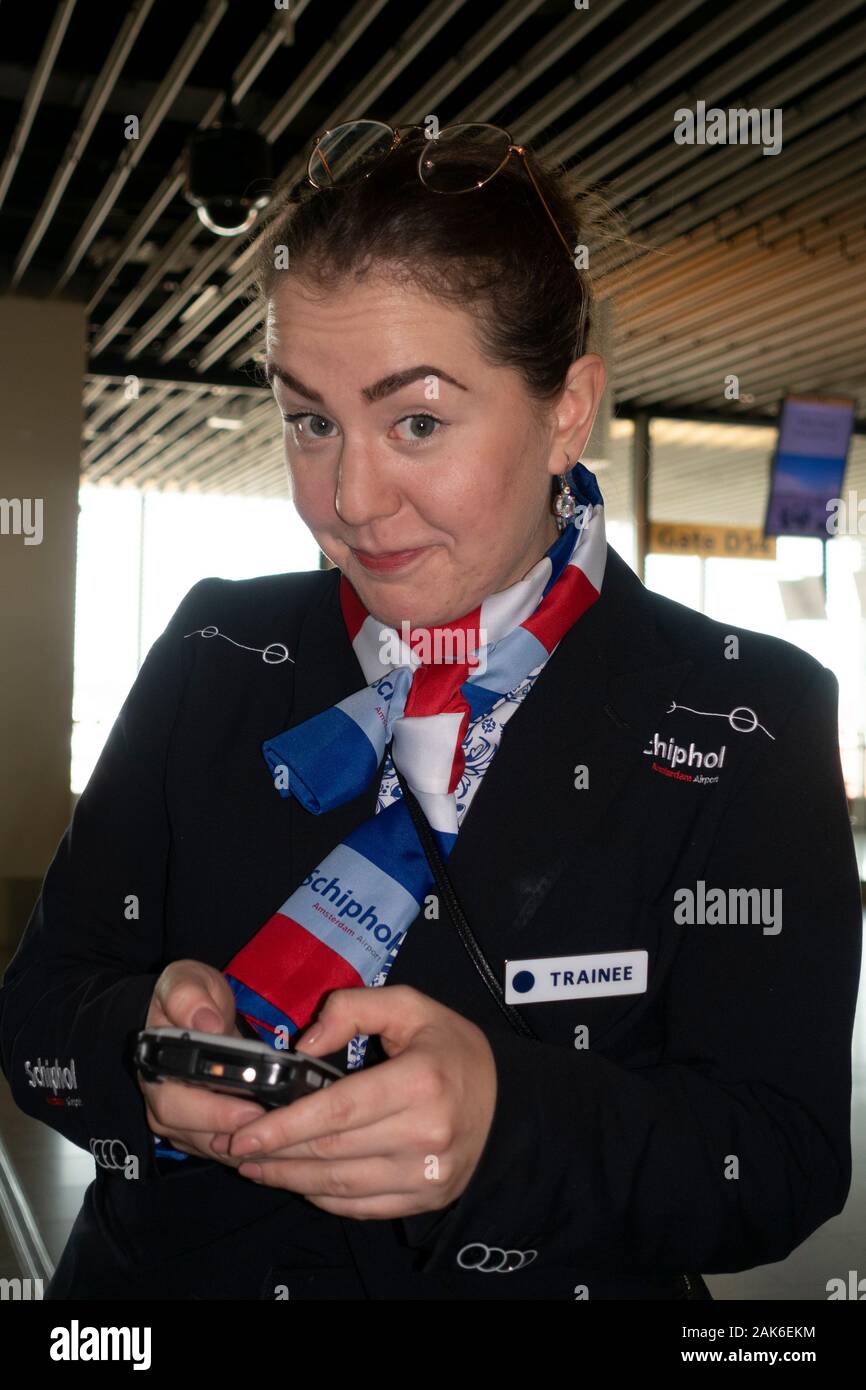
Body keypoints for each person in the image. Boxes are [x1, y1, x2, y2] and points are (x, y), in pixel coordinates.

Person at [0, 121, 861, 1302]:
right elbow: (40, 1011)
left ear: (566, 410)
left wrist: (508, 1123)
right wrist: (140, 1048)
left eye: (416, 421)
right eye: (310, 421)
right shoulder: (217, 650)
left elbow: (776, 1159)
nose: (348, 500)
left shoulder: (738, 709)